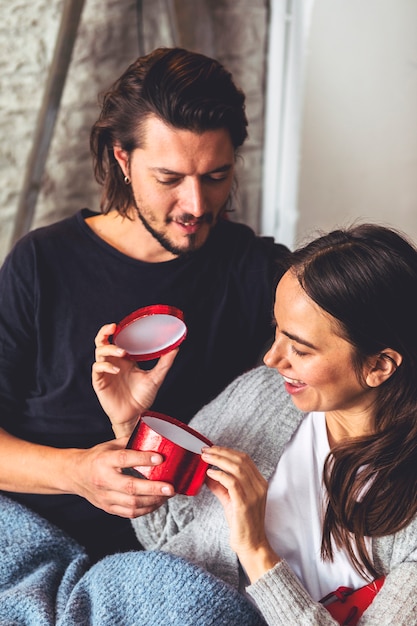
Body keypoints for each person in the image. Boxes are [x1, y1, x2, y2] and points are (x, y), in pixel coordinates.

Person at [0, 47, 290, 563]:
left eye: (216, 176)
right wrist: (77, 473)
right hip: (32, 531)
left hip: (174, 554)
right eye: (170, 179)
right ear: (122, 158)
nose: (197, 206)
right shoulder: (41, 262)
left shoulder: (256, 270)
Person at [92, 223, 417, 624]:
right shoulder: (263, 394)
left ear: (379, 365)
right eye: (276, 332)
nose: (272, 359)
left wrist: (256, 548)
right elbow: (163, 537)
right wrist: (129, 426)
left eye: (299, 348)